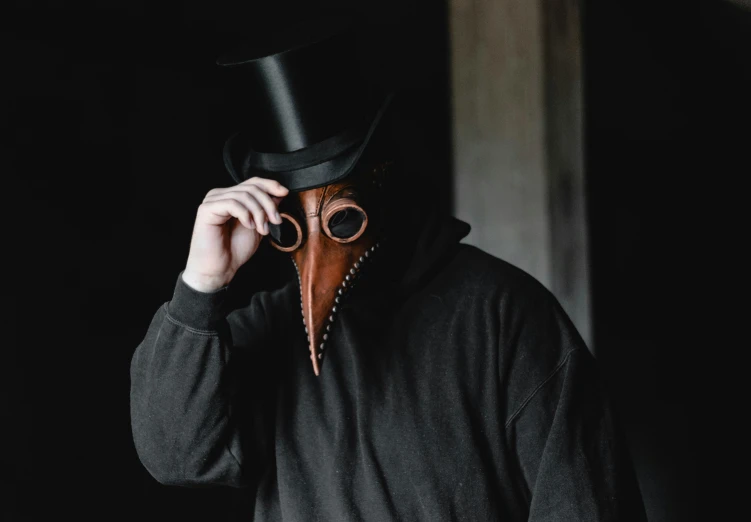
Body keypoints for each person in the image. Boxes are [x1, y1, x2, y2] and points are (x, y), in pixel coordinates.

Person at [129, 20, 648, 522]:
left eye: (341, 217)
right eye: (290, 225)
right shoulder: (267, 330)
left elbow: (587, 503)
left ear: (382, 182)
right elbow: (176, 454)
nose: (316, 247)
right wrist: (200, 288)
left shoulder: (504, 315)